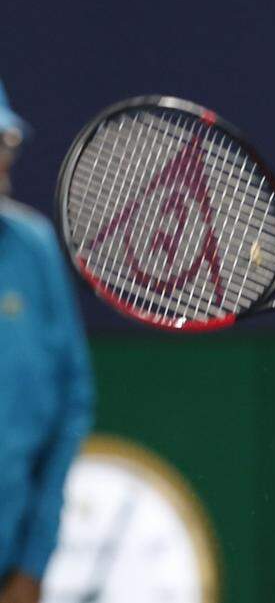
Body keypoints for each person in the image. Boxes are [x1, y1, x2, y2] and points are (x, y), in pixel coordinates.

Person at [0, 78, 95, 603]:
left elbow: (70, 406)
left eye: (6, 142)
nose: (4, 158)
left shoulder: (34, 249)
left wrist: (33, 564)